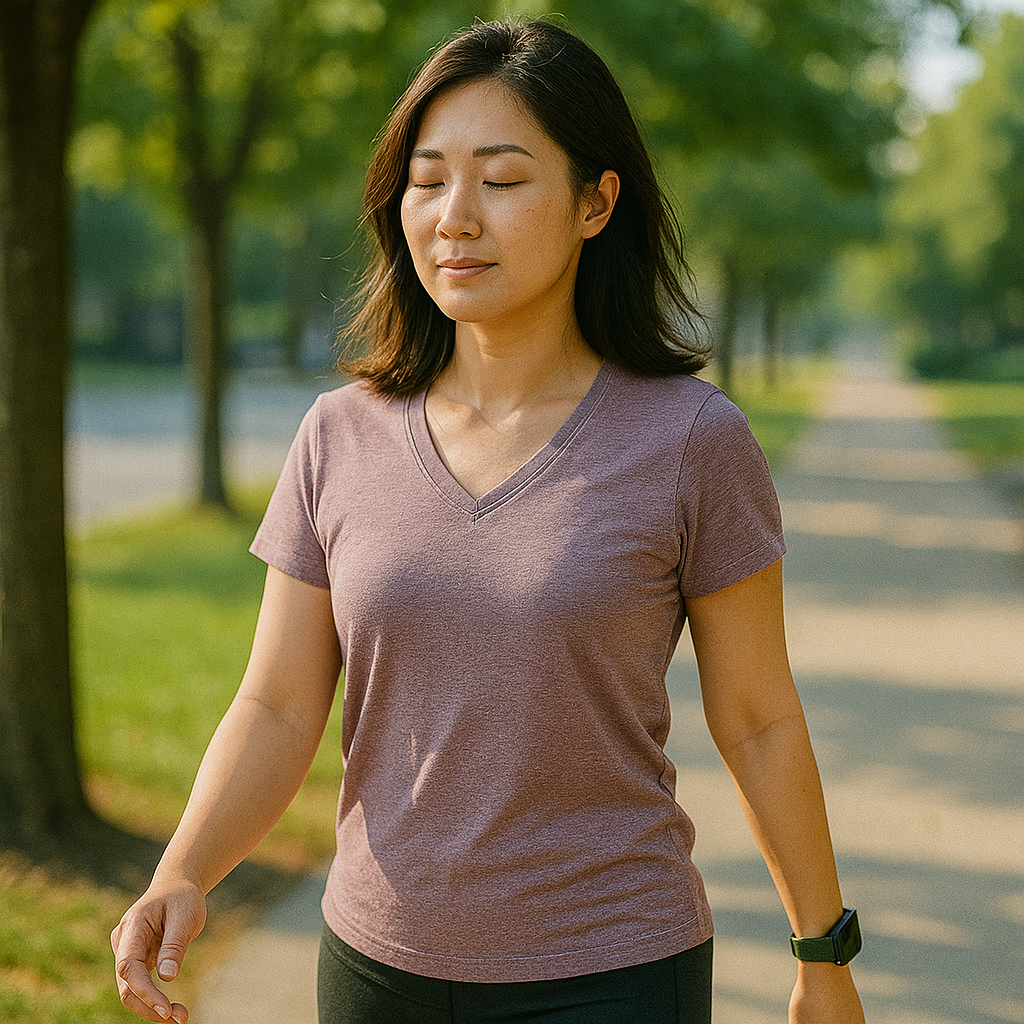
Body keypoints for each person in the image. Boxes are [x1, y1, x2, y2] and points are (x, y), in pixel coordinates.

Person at [112, 17, 865, 1024]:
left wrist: (823, 956)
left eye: (502, 181)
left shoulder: (690, 439)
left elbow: (758, 717)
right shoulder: (339, 434)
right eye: (427, 180)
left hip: (613, 971)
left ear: (597, 203)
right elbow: (279, 705)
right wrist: (184, 870)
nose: (455, 216)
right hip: (376, 967)